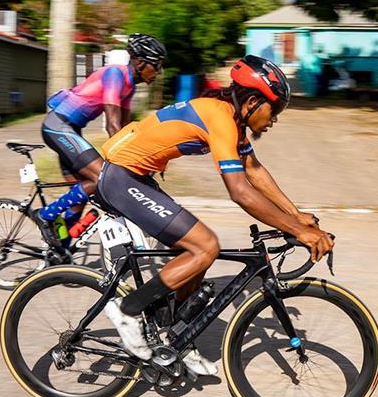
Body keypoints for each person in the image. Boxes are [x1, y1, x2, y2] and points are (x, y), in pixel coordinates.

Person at [96, 55, 334, 375]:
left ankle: (176, 336)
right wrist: (298, 231)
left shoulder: (232, 122)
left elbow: (254, 170)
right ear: (252, 101)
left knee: (196, 251)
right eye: (273, 109)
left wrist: (296, 215)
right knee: (205, 245)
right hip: (122, 178)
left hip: (137, 177)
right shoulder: (220, 118)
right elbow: (240, 191)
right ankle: (129, 310)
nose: (275, 118)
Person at [31, 34, 166, 243]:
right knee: (100, 178)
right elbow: (112, 124)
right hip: (58, 126)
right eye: (157, 65)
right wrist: (131, 159)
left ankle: (61, 246)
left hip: (71, 129)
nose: (159, 71)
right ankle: (46, 214)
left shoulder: (129, 85)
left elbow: (125, 129)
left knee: (81, 191)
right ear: (140, 63)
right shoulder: (115, 74)